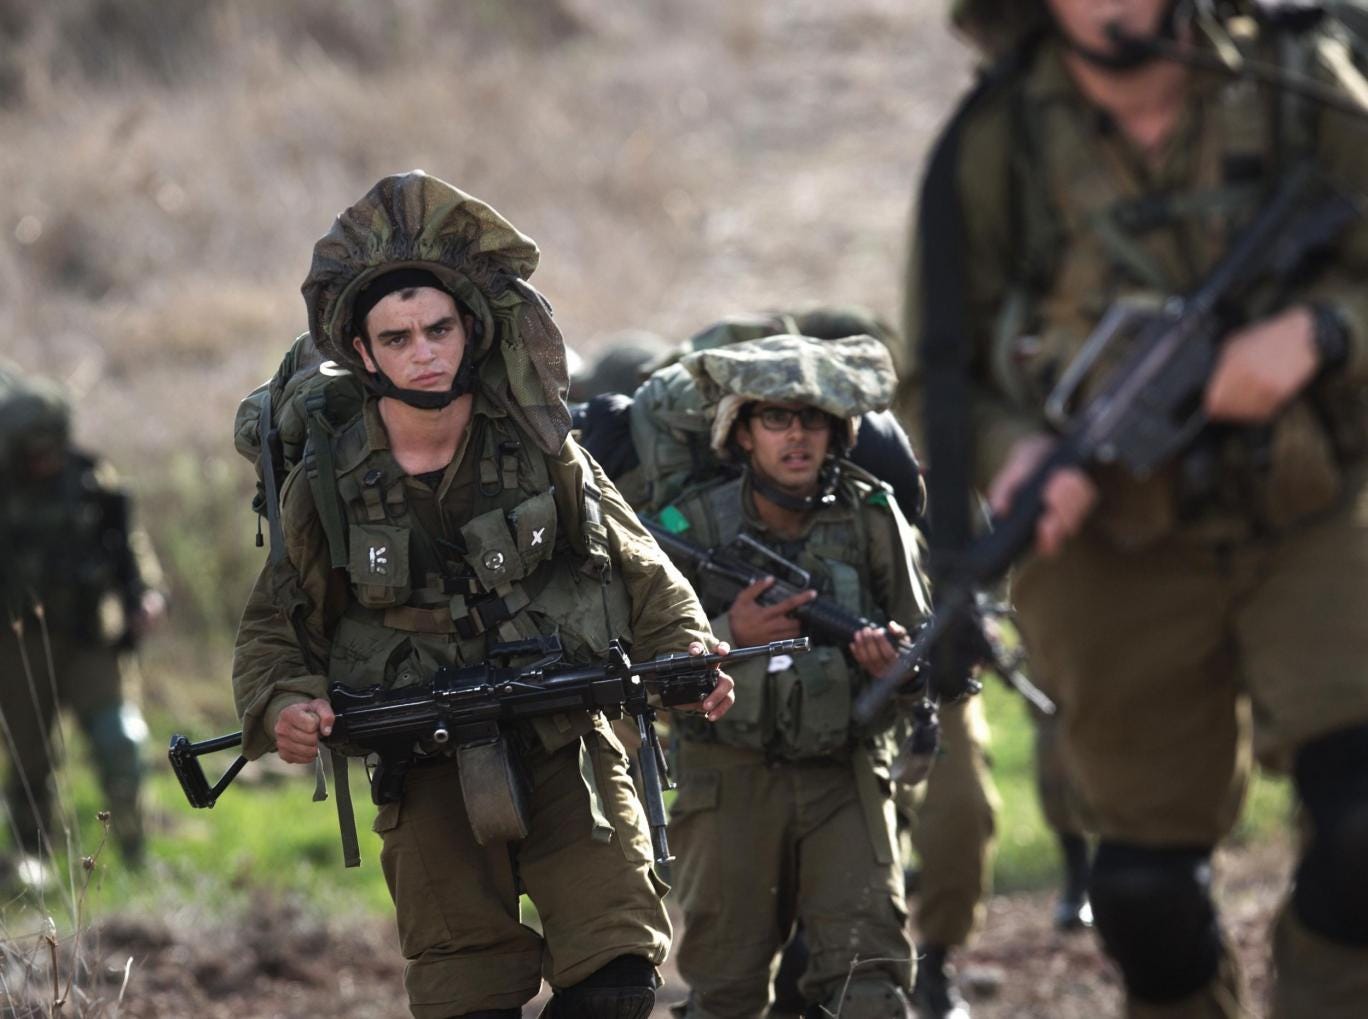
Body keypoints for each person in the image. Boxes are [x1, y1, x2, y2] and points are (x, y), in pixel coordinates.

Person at [897, 2, 1368, 1015]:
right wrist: (1016, 455)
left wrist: (1325, 331)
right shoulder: (992, 147)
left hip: (1315, 503)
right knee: (1143, 899)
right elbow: (939, 371)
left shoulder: (1302, 82)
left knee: (1364, 822)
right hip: (1115, 543)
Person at [230, 171, 734, 1019]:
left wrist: (686, 649)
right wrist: (285, 704)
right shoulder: (328, 483)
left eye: (437, 328)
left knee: (616, 968)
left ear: (469, 331)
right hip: (420, 760)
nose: (423, 351)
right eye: (397, 338)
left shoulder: (539, 446)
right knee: (466, 992)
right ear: (363, 353)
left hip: (563, 734)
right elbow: (276, 628)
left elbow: (640, 566)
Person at [655, 333, 928, 1019]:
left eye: (812, 420)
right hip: (728, 781)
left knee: (870, 988)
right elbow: (639, 668)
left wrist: (895, 668)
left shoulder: (871, 517)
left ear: (838, 430)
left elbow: (927, 647)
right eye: (776, 418)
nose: (797, 436)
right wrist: (727, 637)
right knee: (726, 994)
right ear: (742, 432)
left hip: (846, 775)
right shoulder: (689, 526)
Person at [0, 371, 165, 878]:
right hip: (18, 644)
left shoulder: (92, 479)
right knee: (28, 761)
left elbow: (130, 548)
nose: (46, 459)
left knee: (120, 742)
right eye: (34, 450)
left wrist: (147, 595)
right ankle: (33, 858)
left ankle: (135, 850)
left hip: (90, 639)